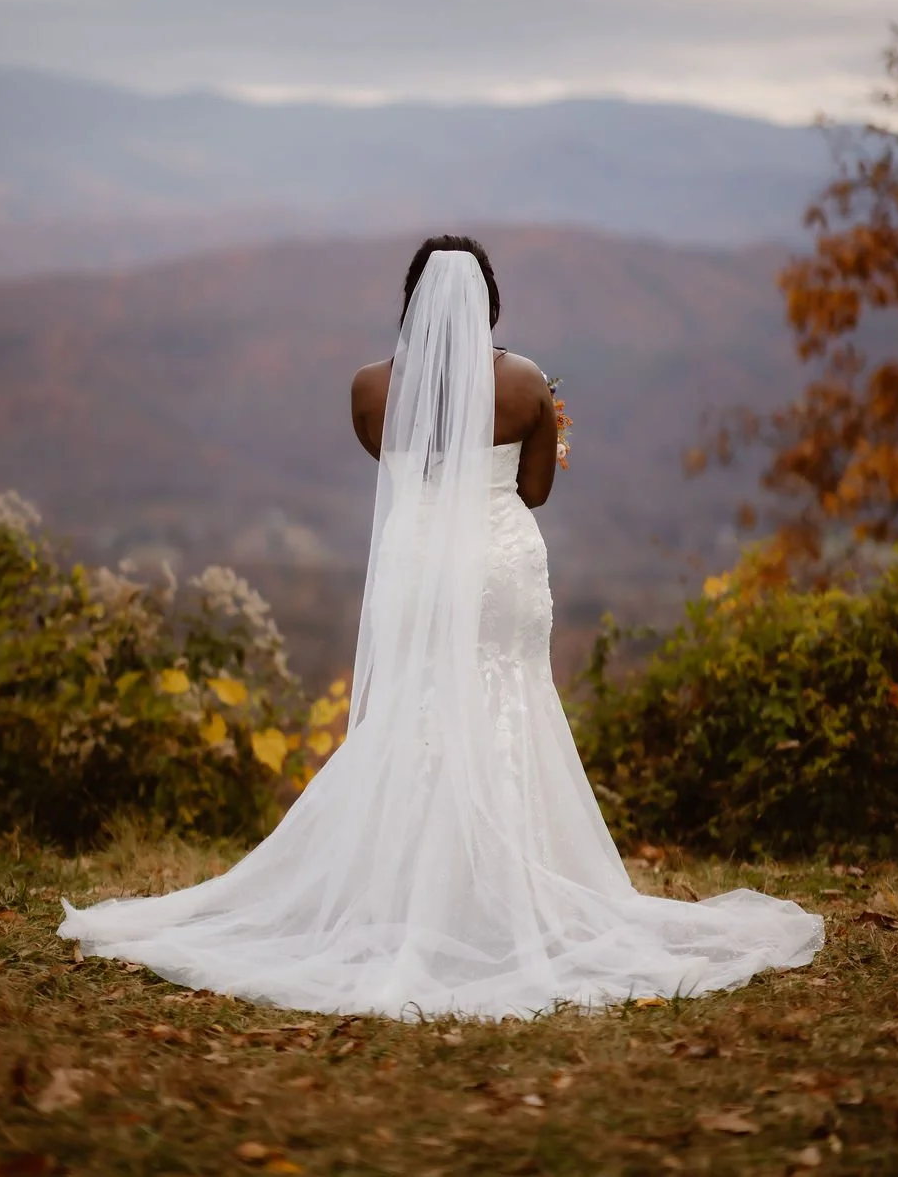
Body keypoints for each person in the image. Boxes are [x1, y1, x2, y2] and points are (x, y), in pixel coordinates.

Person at [59, 235, 823, 1017]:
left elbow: (392, 463)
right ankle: (509, 893)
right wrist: (540, 432)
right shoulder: (527, 382)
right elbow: (535, 491)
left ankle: (407, 890)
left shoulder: (368, 385)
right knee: (512, 701)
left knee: (416, 706)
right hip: (498, 560)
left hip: (417, 557)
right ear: (489, 301)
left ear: (412, 300)